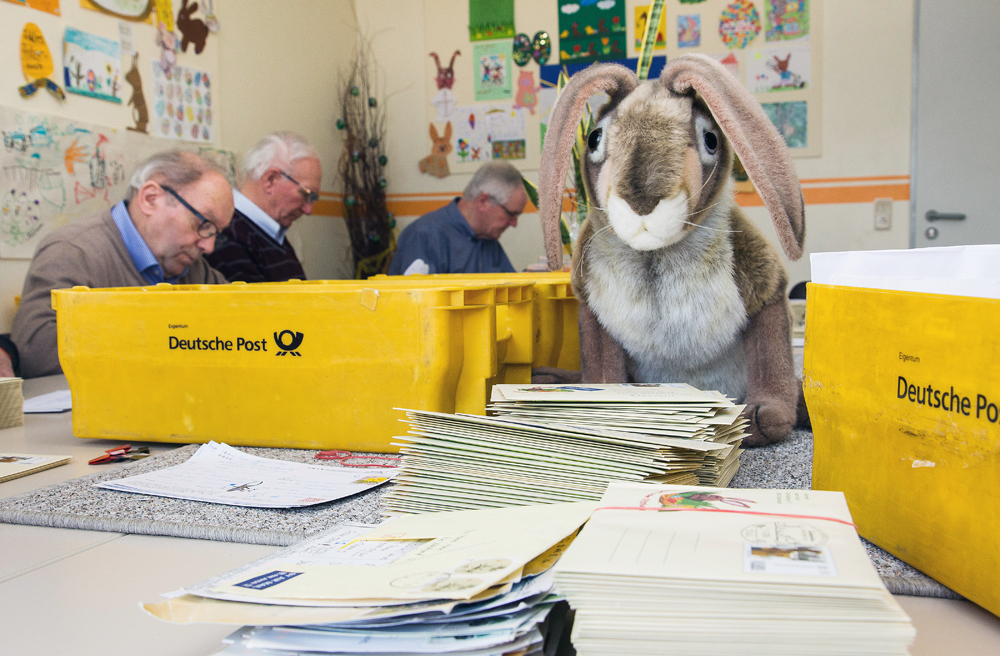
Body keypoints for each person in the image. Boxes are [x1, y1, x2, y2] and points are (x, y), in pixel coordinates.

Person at [10, 151, 233, 378]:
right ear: (150, 199)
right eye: (203, 224)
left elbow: (239, 324)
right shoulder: (72, 251)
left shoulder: (194, 268)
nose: (209, 246)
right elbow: (37, 352)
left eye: (217, 233)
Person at [205, 132, 321, 282]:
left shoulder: (269, 233)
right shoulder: (228, 235)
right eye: (306, 195)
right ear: (270, 180)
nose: (308, 210)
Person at [388, 161, 527, 275]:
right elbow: (417, 299)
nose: (514, 223)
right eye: (511, 214)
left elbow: (511, 290)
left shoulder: (488, 238)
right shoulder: (424, 235)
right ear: (483, 201)